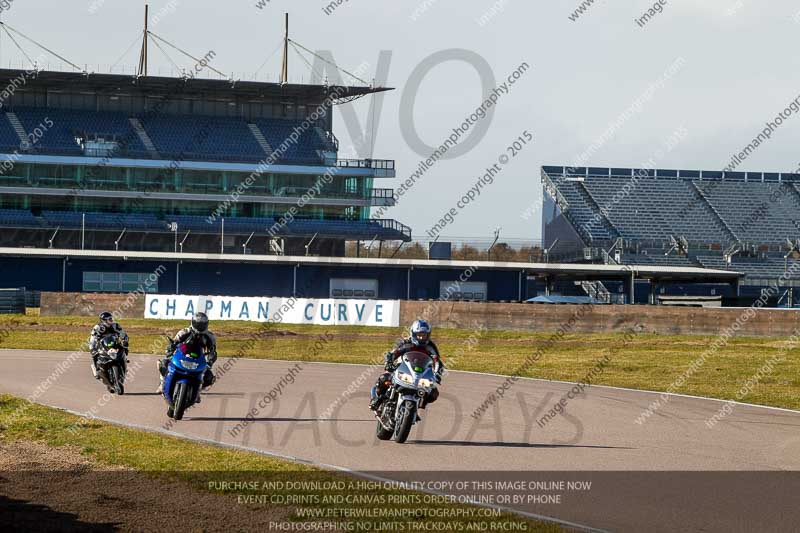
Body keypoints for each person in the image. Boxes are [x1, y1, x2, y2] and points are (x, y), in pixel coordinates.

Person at [369, 319, 444, 411]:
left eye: (424, 335)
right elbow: (394, 353)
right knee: (384, 378)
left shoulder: (431, 347)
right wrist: (389, 361)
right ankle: (376, 400)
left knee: (433, 393)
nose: (421, 338)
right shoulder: (405, 343)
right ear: (413, 333)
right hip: (402, 369)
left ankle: (418, 405)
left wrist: (437, 374)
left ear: (428, 335)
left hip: (420, 374)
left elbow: (437, 362)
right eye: (419, 335)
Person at [157, 312, 217, 394]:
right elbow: (173, 343)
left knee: (209, 377)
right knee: (164, 364)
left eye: (202, 324)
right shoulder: (184, 332)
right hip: (182, 355)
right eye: (198, 324)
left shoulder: (210, 337)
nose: (200, 326)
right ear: (193, 322)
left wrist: (210, 361)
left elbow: (212, 351)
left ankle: (198, 391)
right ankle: (162, 383)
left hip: (198, 359)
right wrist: (170, 351)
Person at [89, 311, 129, 379]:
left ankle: (124, 364)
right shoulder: (97, 327)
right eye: (109, 319)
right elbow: (92, 338)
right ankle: (97, 369)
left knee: (124, 349)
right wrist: (92, 347)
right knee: (94, 354)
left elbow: (123, 333)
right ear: (103, 321)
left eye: (111, 319)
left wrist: (125, 340)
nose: (111, 321)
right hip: (103, 345)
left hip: (114, 343)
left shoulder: (115, 325)